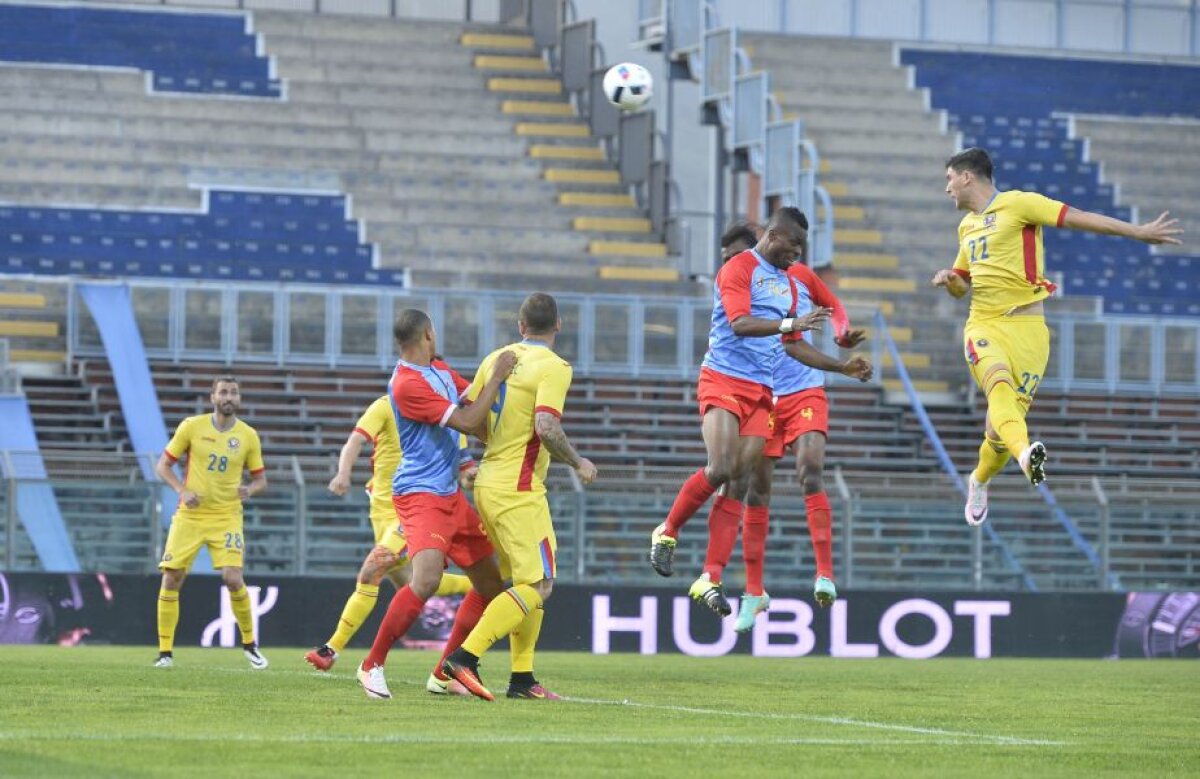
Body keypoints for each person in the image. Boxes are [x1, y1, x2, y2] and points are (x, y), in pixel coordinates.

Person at [932, 147, 1182, 525]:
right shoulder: (966, 227)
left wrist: (1138, 232)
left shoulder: (1020, 204)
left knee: (997, 431)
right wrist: (951, 280)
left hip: (1029, 331)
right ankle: (1026, 456)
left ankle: (979, 478)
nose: (947, 188)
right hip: (984, 325)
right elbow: (962, 286)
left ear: (967, 176)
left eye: (949, 178)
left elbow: (1080, 218)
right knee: (998, 387)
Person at [648, 207, 831, 616]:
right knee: (722, 467)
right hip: (724, 378)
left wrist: (841, 367)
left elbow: (793, 344)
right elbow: (740, 323)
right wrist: (790, 325)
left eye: (802, 247)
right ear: (774, 235)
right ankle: (668, 530)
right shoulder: (738, 269)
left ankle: (709, 577)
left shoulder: (787, 284)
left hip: (762, 390)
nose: (798, 253)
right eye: (794, 244)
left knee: (740, 482)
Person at [441, 293, 597, 702]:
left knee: (526, 583)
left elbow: (469, 414)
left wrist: (496, 441)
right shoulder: (555, 366)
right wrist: (578, 461)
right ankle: (464, 658)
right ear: (558, 325)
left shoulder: (497, 358)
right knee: (540, 583)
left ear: (520, 325)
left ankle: (522, 679)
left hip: (488, 482)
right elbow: (546, 426)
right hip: (520, 489)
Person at [355, 310, 515, 699]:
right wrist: (497, 375)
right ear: (428, 334)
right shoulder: (406, 384)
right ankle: (371, 665)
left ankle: (445, 673)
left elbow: (476, 400)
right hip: (420, 494)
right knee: (425, 580)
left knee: (490, 584)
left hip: (449, 494)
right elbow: (467, 421)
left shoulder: (439, 370)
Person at [723, 239, 871, 633]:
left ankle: (824, 574)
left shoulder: (799, 277)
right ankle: (753, 592)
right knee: (757, 490)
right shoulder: (737, 289)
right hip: (763, 393)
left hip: (804, 389)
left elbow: (833, 306)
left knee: (810, 469)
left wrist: (841, 334)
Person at [303, 390, 474, 673]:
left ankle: (331, 649)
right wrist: (343, 472)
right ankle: (482, 588)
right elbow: (356, 439)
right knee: (414, 581)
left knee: (371, 570)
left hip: (413, 509)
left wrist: (468, 476)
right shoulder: (386, 405)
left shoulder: (448, 416)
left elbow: (462, 461)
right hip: (381, 511)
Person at [153, 376, 269, 669]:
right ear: (213, 397)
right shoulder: (192, 426)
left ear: (239, 399)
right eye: (224, 392)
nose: (229, 397)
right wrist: (181, 490)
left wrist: (250, 490)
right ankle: (165, 653)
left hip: (227, 517)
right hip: (190, 516)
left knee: (233, 578)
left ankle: (250, 645)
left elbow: (260, 480)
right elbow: (163, 466)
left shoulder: (248, 436)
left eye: (234, 392)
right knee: (171, 578)